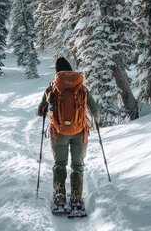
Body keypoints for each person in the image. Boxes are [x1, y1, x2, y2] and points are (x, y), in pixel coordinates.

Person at [37, 57, 101, 207]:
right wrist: (96, 123)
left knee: (60, 163)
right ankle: (76, 198)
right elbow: (95, 110)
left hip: (58, 133)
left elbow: (40, 111)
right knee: (78, 165)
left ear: (57, 72)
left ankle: (59, 195)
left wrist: (47, 108)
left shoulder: (52, 88)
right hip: (80, 132)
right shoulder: (81, 88)